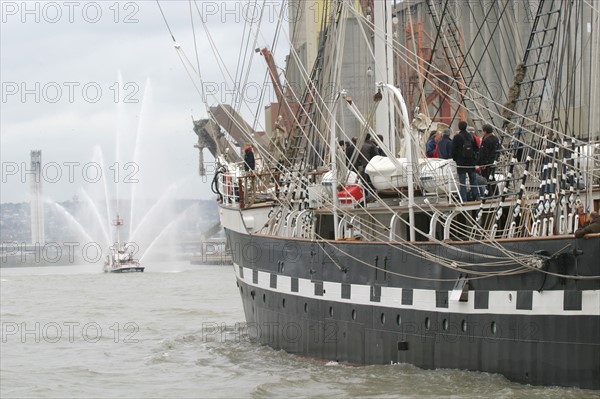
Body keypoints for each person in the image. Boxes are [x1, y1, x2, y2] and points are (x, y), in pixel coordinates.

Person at [452, 121, 480, 201]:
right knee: (473, 179)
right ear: (466, 127)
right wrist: (474, 159)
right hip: (471, 161)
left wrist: (455, 159)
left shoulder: (457, 137)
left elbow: (453, 150)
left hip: (461, 162)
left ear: (459, 127)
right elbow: (476, 148)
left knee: (462, 181)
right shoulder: (471, 136)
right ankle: (476, 196)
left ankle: (464, 199)